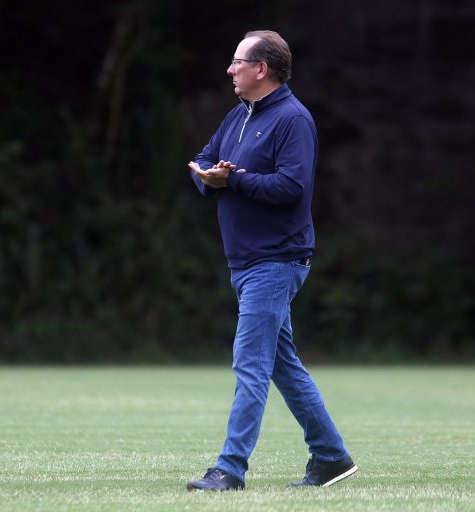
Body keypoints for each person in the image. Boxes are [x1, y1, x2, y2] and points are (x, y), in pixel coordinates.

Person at [184, 30, 357, 492]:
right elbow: (203, 160)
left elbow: (292, 188)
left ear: (262, 69)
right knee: (281, 364)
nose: (230, 69)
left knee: (250, 364)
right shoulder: (239, 116)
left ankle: (230, 468)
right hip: (244, 261)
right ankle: (331, 457)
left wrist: (233, 182)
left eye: (237, 61)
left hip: (277, 260)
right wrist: (210, 177)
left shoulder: (292, 119)